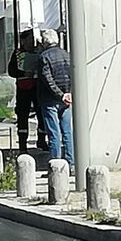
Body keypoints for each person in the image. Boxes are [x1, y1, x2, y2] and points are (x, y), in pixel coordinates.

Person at [37, 29, 73, 166]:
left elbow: (47, 79)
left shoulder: (44, 57)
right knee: (67, 132)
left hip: (49, 99)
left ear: (44, 42)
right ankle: (71, 162)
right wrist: (68, 93)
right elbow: (72, 74)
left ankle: (56, 165)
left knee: (53, 133)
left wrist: (60, 94)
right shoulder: (67, 54)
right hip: (66, 98)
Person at [8, 30, 47, 152]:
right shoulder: (18, 54)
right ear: (23, 41)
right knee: (22, 115)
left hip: (37, 87)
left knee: (41, 114)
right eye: (29, 39)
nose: (32, 42)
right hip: (23, 88)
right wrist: (24, 73)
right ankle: (23, 145)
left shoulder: (39, 52)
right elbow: (11, 71)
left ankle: (41, 140)